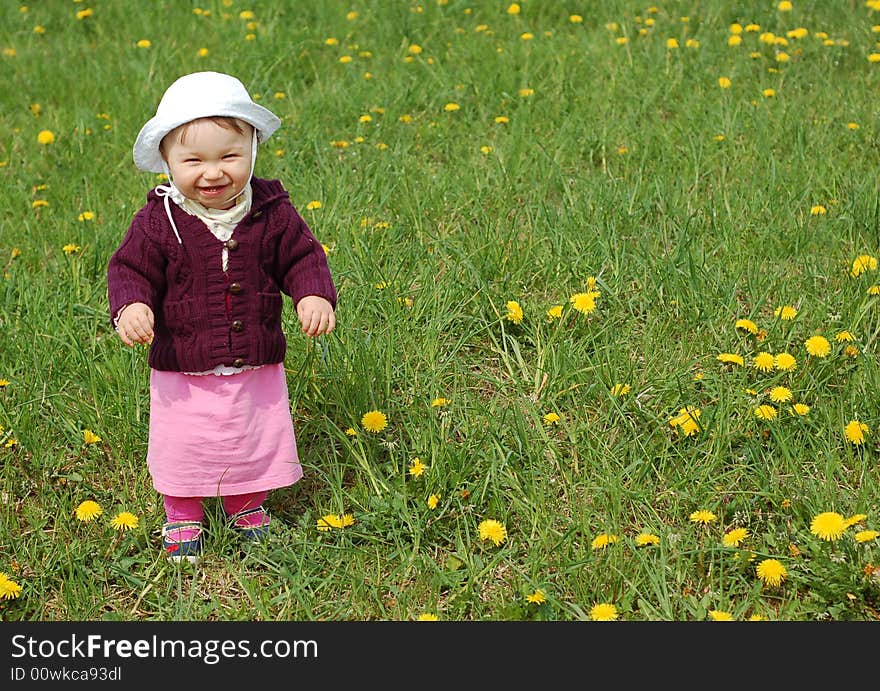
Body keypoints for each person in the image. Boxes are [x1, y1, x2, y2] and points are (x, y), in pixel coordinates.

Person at [107, 71, 337, 564]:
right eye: (193, 161)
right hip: (183, 364)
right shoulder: (159, 221)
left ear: (252, 151)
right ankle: (183, 510)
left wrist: (311, 295)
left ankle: (247, 504)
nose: (212, 173)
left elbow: (302, 258)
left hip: (254, 356)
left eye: (229, 156)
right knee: (185, 440)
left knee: (252, 433)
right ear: (167, 164)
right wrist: (132, 305)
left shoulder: (271, 211)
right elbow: (130, 268)